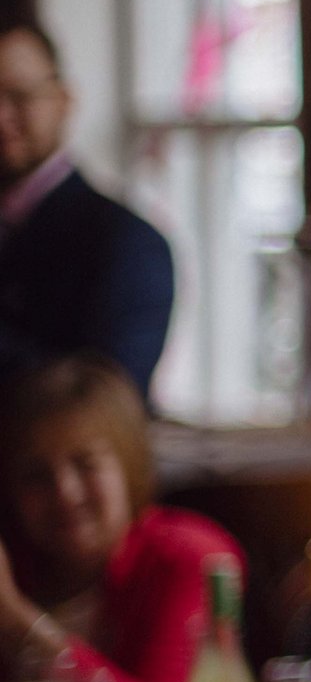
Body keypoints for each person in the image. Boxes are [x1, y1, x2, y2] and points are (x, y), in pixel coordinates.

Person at [0, 355, 241, 682]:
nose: (65, 492)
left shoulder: (187, 557)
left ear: (128, 465)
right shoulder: (18, 561)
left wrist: (17, 621)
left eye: (85, 463)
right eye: (36, 476)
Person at [0, 21, 175, 400]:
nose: (2, 117)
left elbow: (103, 409)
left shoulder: (127, 243)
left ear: (63, 100)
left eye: (19, 95)